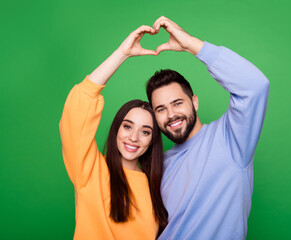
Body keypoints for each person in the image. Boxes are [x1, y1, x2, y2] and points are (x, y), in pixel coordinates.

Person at [146, 16, 270, 239]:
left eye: (177, 103)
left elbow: (255, 86)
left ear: (194, 102)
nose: (171, 114)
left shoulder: (231, 139)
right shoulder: (158, 163)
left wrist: (191, 45)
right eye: (161, 109)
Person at [59, 25, 168, 239]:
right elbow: (77, 108)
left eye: (145, 132)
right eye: (127, 126)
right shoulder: (90, 170)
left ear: (152, 141)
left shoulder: (157, 185)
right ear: (116, 129)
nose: (133, 137)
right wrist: (122, 54)